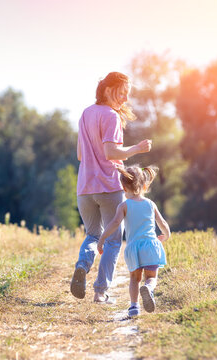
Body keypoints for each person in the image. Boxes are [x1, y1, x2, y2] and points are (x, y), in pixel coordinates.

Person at [70, 72, 152, 303]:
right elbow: (110, 153)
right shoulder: (112, 117)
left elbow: (79, 154)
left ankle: (82, 266)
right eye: (122, 93)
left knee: (93, 234)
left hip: (84, 187)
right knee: (115, 239)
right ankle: (100, 291)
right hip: (108, 185)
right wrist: (137, 148)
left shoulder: (86, 114)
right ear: (108, 90)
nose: (125, 99)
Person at [97, 165, 170, 317]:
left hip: (133, 248)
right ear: (144, 185)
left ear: (123, 187)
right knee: (151, 277)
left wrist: (102, 238)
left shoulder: (123, 206)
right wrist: (166, 234)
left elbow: (115, 223)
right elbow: (162, 222)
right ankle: (149, 289)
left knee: (134, 279)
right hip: (150, 245)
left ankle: (134, 307)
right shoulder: (150, 204)